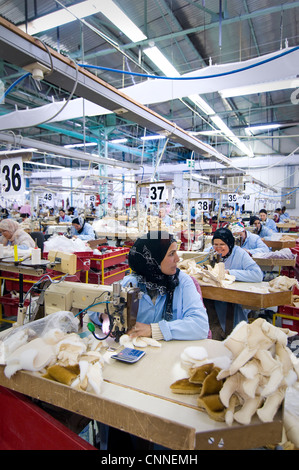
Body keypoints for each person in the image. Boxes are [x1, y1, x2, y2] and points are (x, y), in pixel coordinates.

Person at [89, 231, 209, 341]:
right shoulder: (132, 282)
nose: (177, 259)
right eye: (171, 254)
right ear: (152, 259)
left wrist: (154, 330)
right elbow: (93, 309)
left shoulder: (183, 283)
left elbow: (200, 325)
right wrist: (105, 315)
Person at [208, 228, 263, 338]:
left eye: (222, 244)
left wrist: (230, 273)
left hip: (233, 301)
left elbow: (258, 275)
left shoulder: (240, 254)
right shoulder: (211, 251)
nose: (218, 248)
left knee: (235, 333)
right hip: (215, 297)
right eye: (215, 244)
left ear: (230, 244)